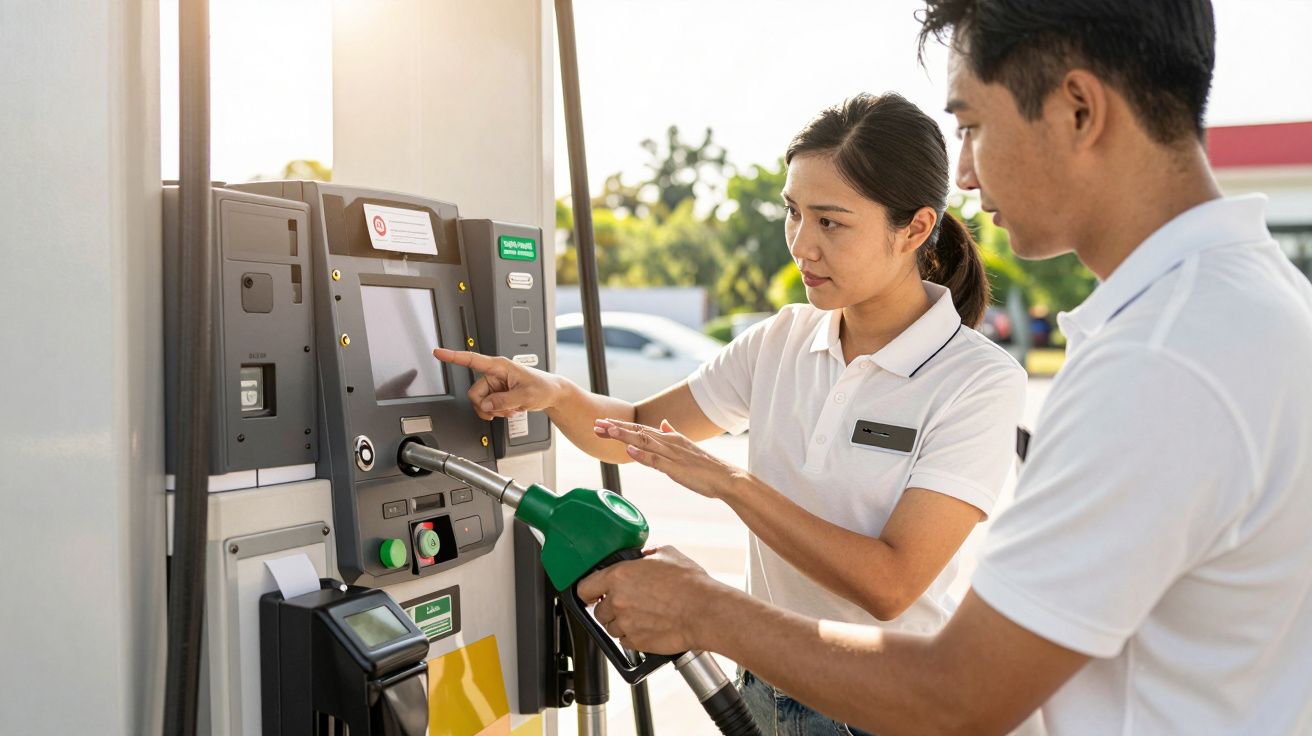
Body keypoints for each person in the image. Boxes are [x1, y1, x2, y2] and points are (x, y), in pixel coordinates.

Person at [576, 1, 1312, 734]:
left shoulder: (1161, 364)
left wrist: (703, 609)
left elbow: (958, 698)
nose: (961, 171)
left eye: (971, 127)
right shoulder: (1252, 309)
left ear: (1079, 110)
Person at [436, 92, 1026, 735]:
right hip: (763, 694)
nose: (802, 246)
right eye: (792, 213)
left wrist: (731, 485)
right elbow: (635, 424)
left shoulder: (977, 381)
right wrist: (553, 394)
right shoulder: (782, 339)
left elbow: (891, 585)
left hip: (881, 710)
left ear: (914, 228)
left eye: (831, 222)